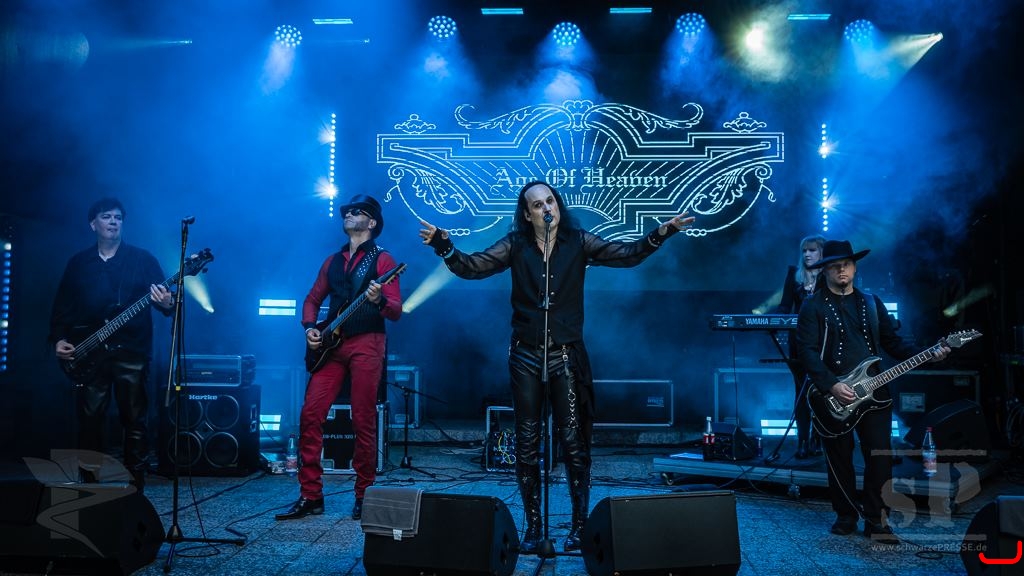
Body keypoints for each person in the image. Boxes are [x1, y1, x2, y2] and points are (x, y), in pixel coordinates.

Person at [418, 180, 694, 553]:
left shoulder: (578, 242)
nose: (547, 208)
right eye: (537, 205)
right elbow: (472, 267)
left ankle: (579, 527)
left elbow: (627, 255)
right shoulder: (515, 245)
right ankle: (534, 528)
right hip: (525, 356)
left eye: (550, 201)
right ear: (527, 214)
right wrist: (445, 246)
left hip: (566, 355)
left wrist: (662, 233)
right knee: (527, 444)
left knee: (574, 443)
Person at [795, 239, 950, 543]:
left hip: (875, 393)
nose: (842, 270)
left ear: (855, 268)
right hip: (833, 394)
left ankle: (877, 520)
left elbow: (893, 343)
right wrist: (832, 384)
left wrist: (928, 353)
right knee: (839, 457)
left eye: (847, 264)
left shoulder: (871, 302)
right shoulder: (812, 306)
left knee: (880, 456)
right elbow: (807, 352)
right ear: (825, 270)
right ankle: (845, 515)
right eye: (835, 266)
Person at [276, 194, 402, 522]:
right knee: (310, 414)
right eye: (347, 211)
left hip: (368, 343)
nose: (349, 214)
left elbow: (395, 310)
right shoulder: (332, 261)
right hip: (332, 346)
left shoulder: (383, 260)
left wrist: (378, 300)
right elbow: (311, 299)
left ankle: (364, 494)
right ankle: (311, 495)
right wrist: (309, 328)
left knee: (363, 419)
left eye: (357, 212)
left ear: (372, 222)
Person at [49, 198, 175, 493]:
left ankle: (135, 487)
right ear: (93, 224)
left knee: (134, 420)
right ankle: (88, 486)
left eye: (118, 217)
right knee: (90, 420)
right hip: (90, 352)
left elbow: (166, 302)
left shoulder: (142, 259)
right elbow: (63, 306)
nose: (113, 221)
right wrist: (59, 339)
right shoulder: (79, 263)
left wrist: (168, 302)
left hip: (132, 352)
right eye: (106, 216)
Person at [774, 234, 826, 459]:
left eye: (812, 250)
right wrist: (774, 320)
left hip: (823, 341)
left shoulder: (829, 275)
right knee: (801, 391)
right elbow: (785, 305)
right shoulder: (794, 274)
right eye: (804, 250)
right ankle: (803, 440)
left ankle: (818, 438)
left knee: (822, 391)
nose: (807, 254)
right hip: (798, 342)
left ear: (822, 252)